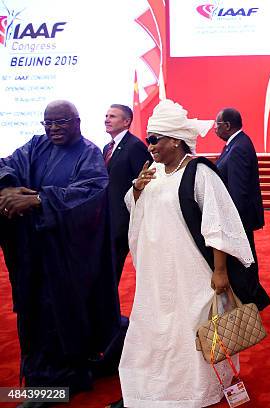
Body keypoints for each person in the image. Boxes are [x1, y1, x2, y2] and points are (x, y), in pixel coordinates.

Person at [117, 99, 254, 407]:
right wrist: (137, 189)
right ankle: (155, 384)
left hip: (192, 269)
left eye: (155, 139)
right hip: (157, 270)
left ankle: (198, 389)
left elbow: (218, 224)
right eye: (148, 139)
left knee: (192, 325)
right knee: (156, 323)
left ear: (175, 140)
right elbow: (135, 208)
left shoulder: (199, 172)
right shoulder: (151, 172)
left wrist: (220, 271)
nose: (149, 146)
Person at [0, 100, 121, 403]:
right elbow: (6, 165)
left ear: (77, 122)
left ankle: (62, 383)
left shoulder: (88, 154)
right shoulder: (35, 146)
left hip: (67, 257)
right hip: (31, 254)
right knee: (31, 315)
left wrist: (40, 199)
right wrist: (7, 189)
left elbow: (91, 192)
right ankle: (39, 378)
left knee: (60, 318)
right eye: (48, 123)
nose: (53, 128)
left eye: (61, 122)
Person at [214, 107, 270, 310]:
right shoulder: (234, 144)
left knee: (244, 260)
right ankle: (252, 298)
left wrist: (232, 221)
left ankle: (251, 300)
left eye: (217, 124)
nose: (214, 129)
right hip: (238, 216)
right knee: (244, 259)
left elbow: (239, 190)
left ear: (227, 126)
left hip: (240, 217)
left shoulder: (239, 147)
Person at [103, 104, 150, 282]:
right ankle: (107, 309)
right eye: (106, 115)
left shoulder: (135, 146)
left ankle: (109, 309)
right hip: (107, 220)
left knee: (112, 271)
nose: (107, 119)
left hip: (124, 221)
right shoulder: (107, 148)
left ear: (126, 121)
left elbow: (144, 184)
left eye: (112, 116)